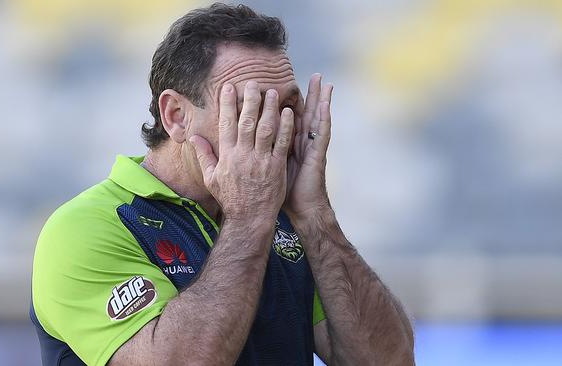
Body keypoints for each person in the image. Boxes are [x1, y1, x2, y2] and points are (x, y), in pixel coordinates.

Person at [30, 3, 415, 366]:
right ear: (176, 115)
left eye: (287, 107)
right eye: (250, 109)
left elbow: (391, 360)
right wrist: (249, 218)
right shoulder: (89, 227)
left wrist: (317, 217)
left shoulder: (288, 223)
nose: (277, 128)